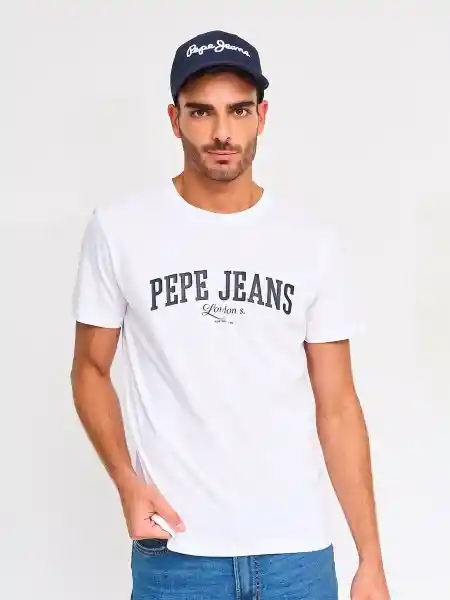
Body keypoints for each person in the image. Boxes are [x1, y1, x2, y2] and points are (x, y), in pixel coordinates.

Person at [70, 29, 390, 600]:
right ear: (175, 120)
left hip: (296, 553)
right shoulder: (120, 230)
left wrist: (371, 559)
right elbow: (89, 369)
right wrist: (126, 481)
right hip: (177, 553)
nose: (222, 132)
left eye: (239, 110)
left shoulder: (310, 241)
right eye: (202, 112)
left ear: (261, 116)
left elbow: (339, 404)